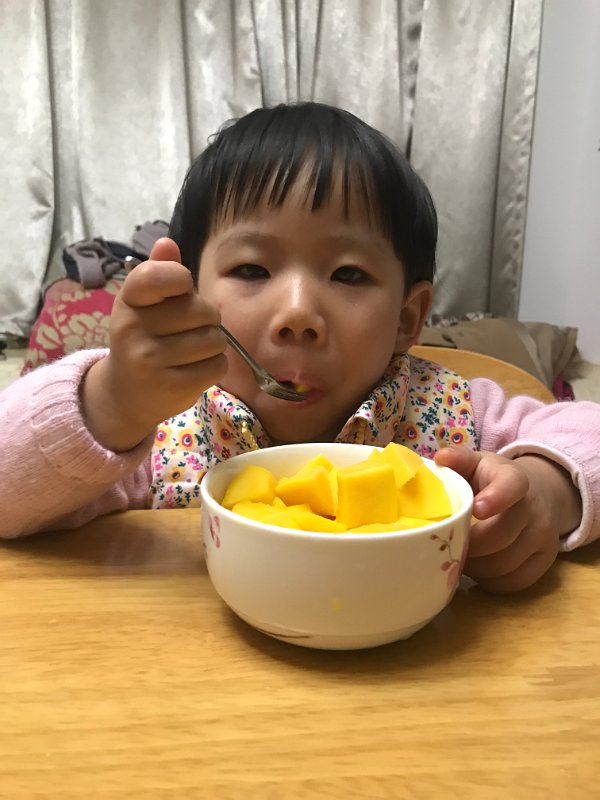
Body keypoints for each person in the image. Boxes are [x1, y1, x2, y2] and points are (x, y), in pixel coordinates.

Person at [1, 102, 598, 593]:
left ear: (406, 318)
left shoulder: (451, 416)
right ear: (193, 295)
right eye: (252, 269)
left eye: (347, 274)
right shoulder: (157, 431)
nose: (297, 315)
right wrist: (112, 401)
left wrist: (548, 490)